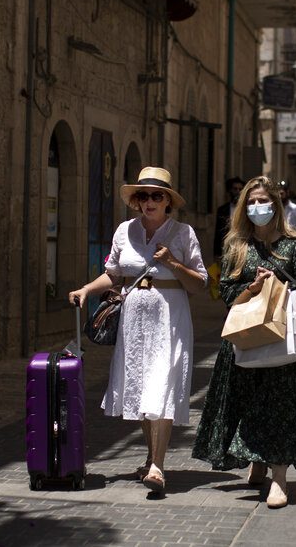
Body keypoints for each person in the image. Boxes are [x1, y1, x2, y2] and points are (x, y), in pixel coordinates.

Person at [69, 167, 207, 494]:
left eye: (156, 196)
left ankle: (158, 467)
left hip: (169, 319)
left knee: (161, 386)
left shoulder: (183, 234)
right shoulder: (124, 232)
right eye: (142, 196)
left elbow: (200, 284)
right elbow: (113, 274)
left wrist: (173, 263)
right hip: (134, 320)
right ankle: (151, 457)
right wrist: (87, 289)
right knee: (144, 388)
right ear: (135, 201)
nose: (148, 202)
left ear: (168, 201)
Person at [192, 176, 296, 509]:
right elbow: (227, 294)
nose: (258, 207)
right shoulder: (236, 245)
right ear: (243, 206)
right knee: (247, 403)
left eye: (264, 201)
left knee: (281, 406)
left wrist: (282, 287)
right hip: (245, 336)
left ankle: (280, 478)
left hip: (282, 337)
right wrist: (253, 288)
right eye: (252, 202)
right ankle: (257, 459)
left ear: (276, 205)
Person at [213, 177, 244, 259]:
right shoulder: (222, 210)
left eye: (240, 189)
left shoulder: (247, 209)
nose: (237, 191)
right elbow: (218, 232)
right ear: (230, 190)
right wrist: (216, 253)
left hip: (242, 247)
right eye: (235, 189)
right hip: (226, 249)